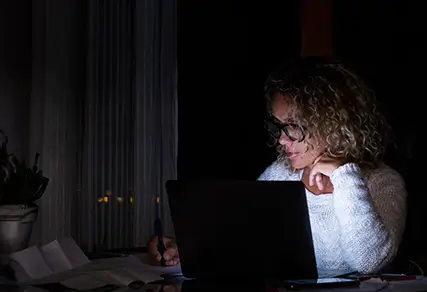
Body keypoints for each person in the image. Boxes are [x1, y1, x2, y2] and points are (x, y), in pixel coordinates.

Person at [148, 56, 407, 275]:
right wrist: (183, 247)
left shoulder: (382, 181)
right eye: (278, 126)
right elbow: (241, 235)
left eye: (293, 125)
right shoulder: (281, 173)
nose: (282, 139)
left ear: (333, 124)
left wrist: (345, 177)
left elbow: (369, 261)